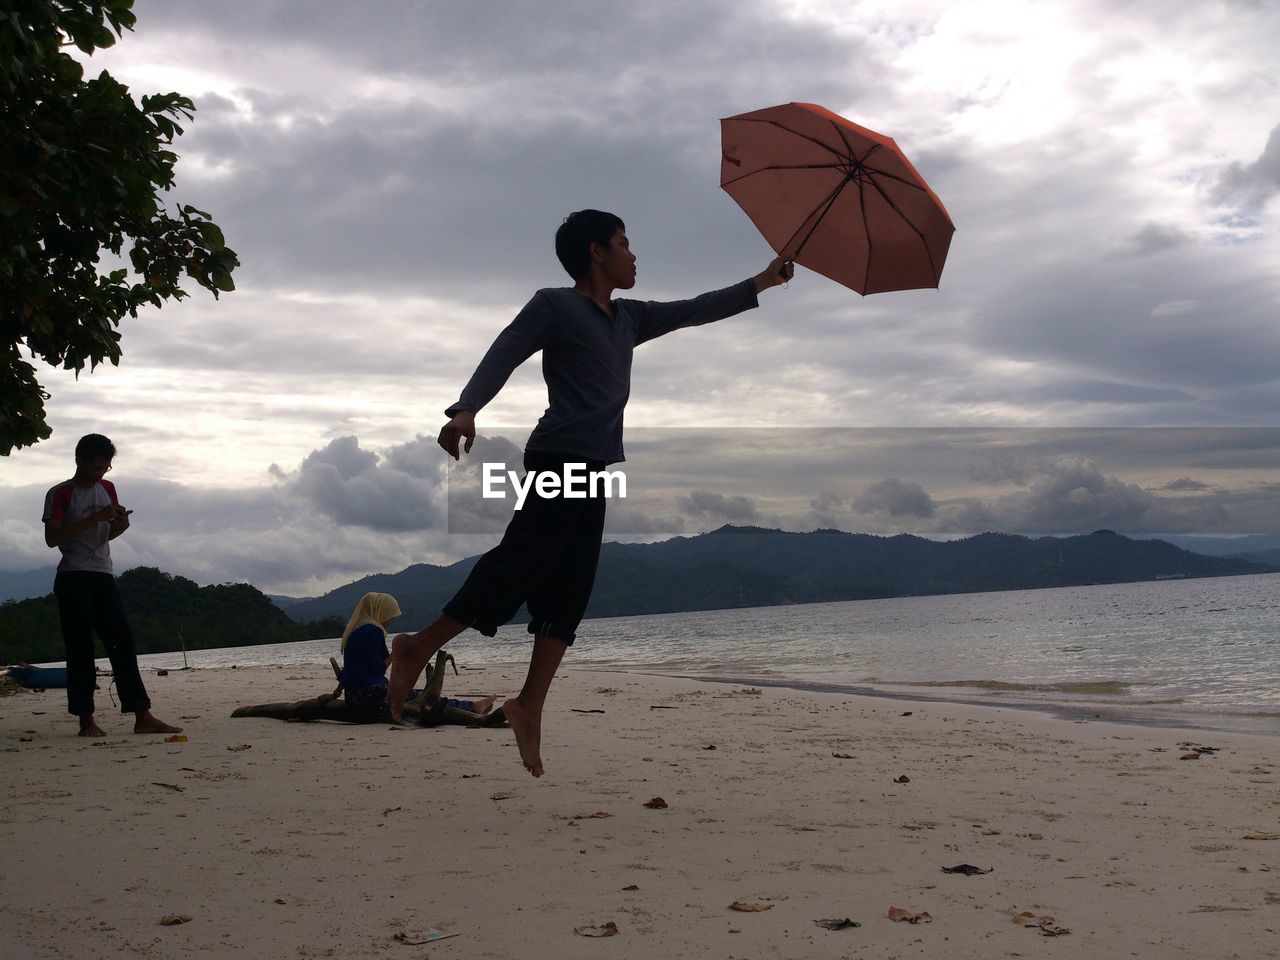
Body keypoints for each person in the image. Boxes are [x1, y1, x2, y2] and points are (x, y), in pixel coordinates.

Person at [388, 210, 793, 776]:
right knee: (520, 563)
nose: (634, 254)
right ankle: (418, 645)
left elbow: (696, 309)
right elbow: (506, 349)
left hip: (596, 464)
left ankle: (529, 705)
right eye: (625, 244)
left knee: (571, 589)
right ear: (596, 252)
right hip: (558, 455)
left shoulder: (628, 318)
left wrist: (763, 281)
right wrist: (465, 408)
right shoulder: (556, 305)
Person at [43, 434, 181, 737]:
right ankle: (86, 720)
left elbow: (105, 536)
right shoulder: (61, 493)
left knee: (122, 643)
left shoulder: (108, 489)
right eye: (95, 469)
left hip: (103, 573)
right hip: (73, 576)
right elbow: (53, 539)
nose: (100, 475)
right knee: (80, 648)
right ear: (79, 460)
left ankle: (141, 714)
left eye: (105, 469)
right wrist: (96, 518)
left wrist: (119, 526)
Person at [340, 592, 495, 715]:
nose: (389, 622)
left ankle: (470, 706)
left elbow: (349, 672)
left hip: (353, 695)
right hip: (366, 694)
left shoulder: (357, 630)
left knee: (414, 694)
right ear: (380, 612)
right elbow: (377, 669)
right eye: (389, 617)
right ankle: (472, 707)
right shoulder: (371, 632)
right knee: (423, 696)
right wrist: (397, 653)